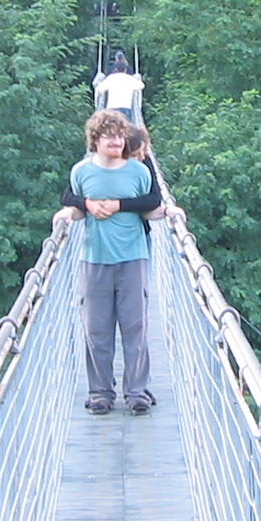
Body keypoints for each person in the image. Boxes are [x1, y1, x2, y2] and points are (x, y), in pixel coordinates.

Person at [59, 109, 154, 416]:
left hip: (132, 257)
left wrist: (170, 213)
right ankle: (100, 392)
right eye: (108, 135)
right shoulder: (81, 172)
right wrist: (68, 213)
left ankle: (137, 391)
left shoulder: (139, 172)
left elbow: (149, 208)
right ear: (95, 140)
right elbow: (76, 208)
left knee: (135, 327)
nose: (115, 140)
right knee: (96, 329)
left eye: (119, 135)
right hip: (94, 258)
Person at [92, 50, 144, 125]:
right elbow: (141, 86)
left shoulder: (110, 78)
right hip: (126, 107)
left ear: (115, 69)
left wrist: (100, 79)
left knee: (113, 128)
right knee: (125, 129)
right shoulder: (130, 79)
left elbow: (100, 88)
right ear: (125, 70)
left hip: (112, 108)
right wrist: (136, 78)